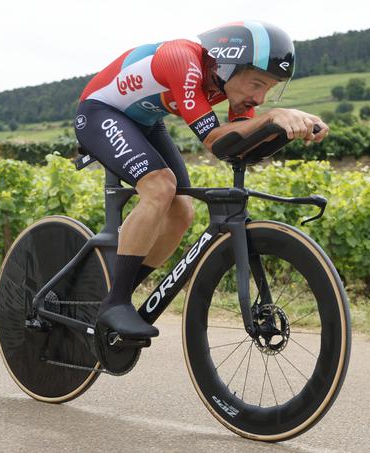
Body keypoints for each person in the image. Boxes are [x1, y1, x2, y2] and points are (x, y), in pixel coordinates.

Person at [74, 20, 329, 340]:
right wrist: (272, 119)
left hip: (144, 122)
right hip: (100, 113)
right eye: (256, 84)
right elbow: (213, 140)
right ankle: (116, 302)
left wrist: (287, 128)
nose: (261, 98)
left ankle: (112, 289)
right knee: (159, 186)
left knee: (182, 212)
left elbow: (234, 148)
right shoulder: (184, 61)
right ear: (226, 65)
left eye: (270, 88)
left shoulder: (229, 87)